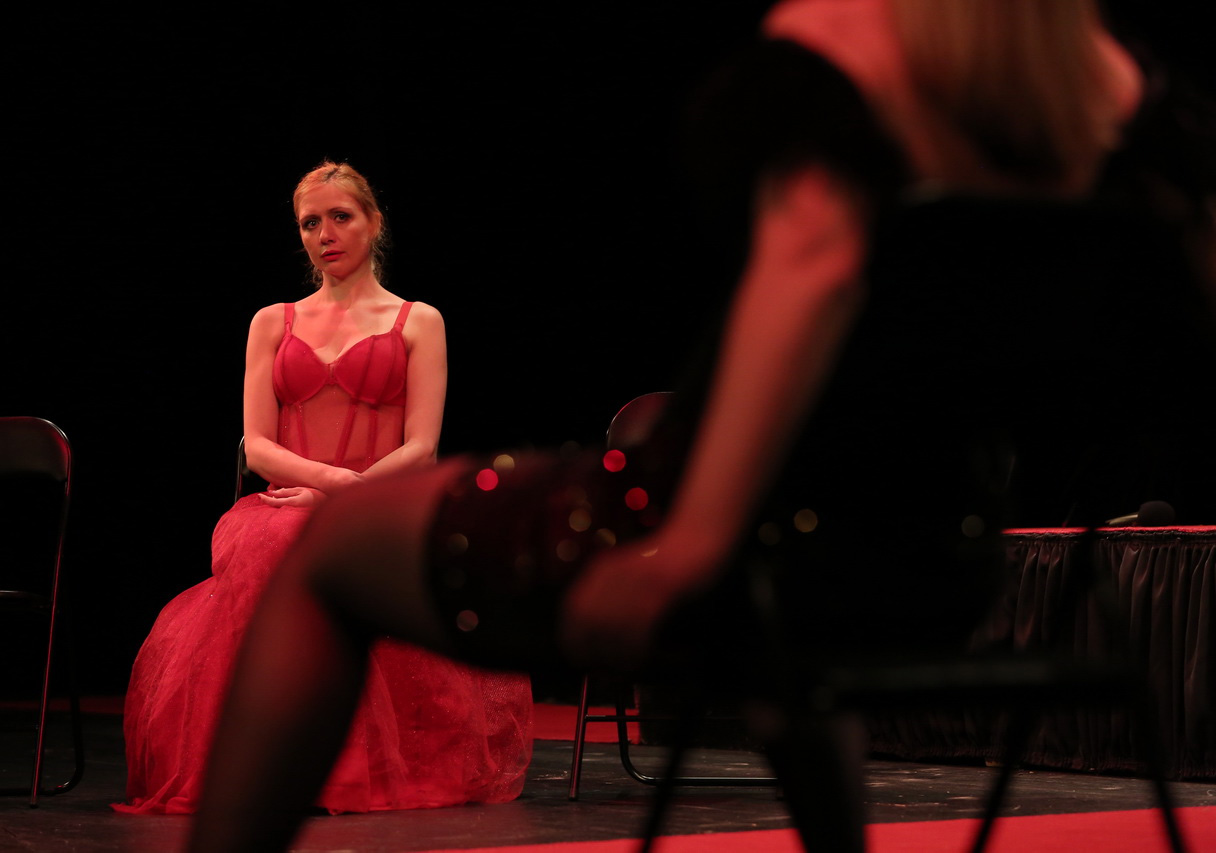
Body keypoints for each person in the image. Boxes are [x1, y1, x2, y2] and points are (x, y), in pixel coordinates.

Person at [189, 2, 1216, 851]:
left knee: (331, 548)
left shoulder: (841, 43)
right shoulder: (1121, 92)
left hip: (734, 539)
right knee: (793, 599)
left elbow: (812, 265)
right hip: (941, 557)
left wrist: (694, 541)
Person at [114, 161, 533, 816]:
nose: (325, 234)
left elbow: (422, 447)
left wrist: (344, 495)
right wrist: (326, 483)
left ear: (374, 222)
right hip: (289, 499)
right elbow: (257, 444)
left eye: (341, 217)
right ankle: (273, 765)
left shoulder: (418, 320)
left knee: (330, 543)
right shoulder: (272, 322)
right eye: (310, 223)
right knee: (276, 540)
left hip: (385, 500)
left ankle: (346, 770)